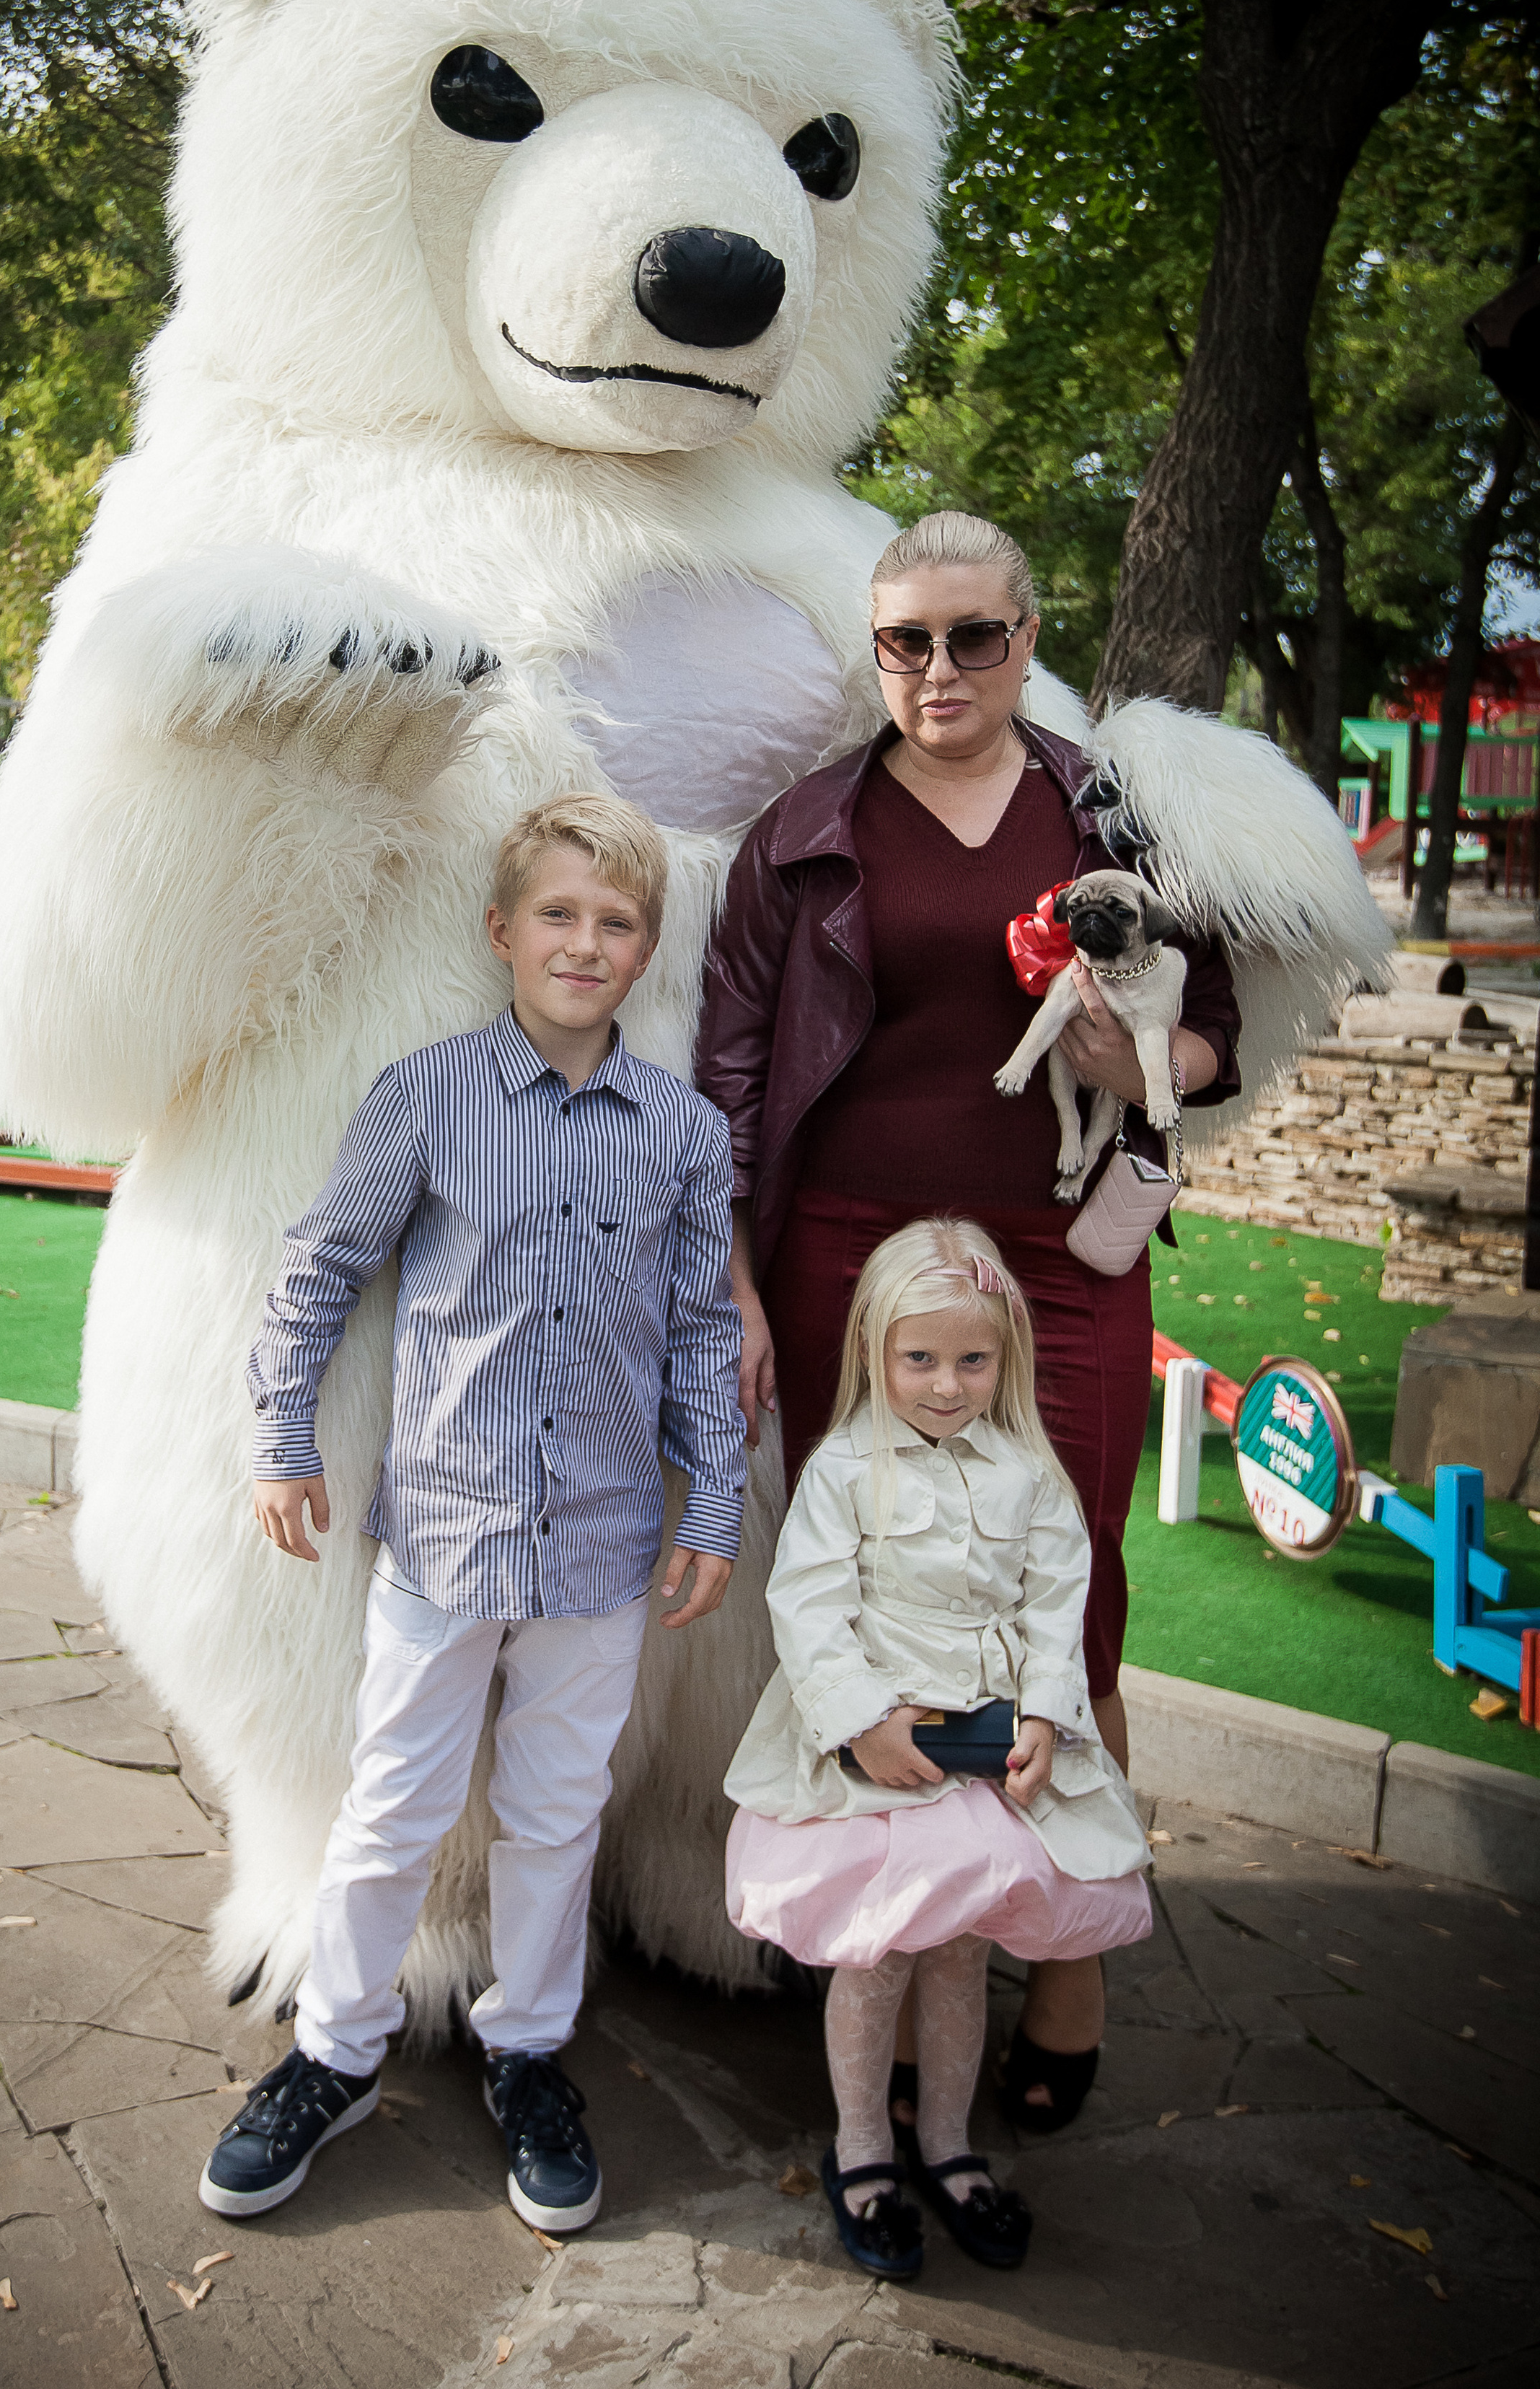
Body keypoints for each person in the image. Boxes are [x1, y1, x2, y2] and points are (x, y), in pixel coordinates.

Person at [695, 509, 1238, 2137]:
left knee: (1075, 1582)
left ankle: (1066, 1956)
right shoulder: (805, 829)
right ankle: (885, 1908)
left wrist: (1141, 1064)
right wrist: (734, 1274)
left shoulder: (1115, 812)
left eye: (974, 637)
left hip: (1062, 1254)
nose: (940, 670)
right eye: (905, 642)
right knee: (868, 1579)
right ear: (875, 652)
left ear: (1026, 635)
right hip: (846, 1257)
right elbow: (732, 1066)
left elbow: (1209, 1024)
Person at [199, 793, 747, 2232]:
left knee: (557, 1818)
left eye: (614, 922)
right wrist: (280, 1436)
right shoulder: (426, 1096)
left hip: (605, 1550)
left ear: (644, 951)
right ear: (503, 930)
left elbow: (703, 1334)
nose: (584, 942)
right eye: (557, 913)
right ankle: (334, 2053)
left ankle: (528, 2051)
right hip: (443, 1535)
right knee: (392, 1807)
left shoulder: (684, 1135)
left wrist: (714, 1508)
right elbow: (321, 1269)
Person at [724, 1218, 1152, 2280]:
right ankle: (864, 2151)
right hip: (882, 1756)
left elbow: (1056, 1608)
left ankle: (951, 2146)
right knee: (877, 1960)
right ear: (875, 1349)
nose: (948, 1385)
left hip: (985, 1758)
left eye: (972, 1360)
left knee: (962, 1957)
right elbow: (809, 1605)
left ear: (1007, 1356)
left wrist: (1045, 1714)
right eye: (920, 1358)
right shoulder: (842, 1472)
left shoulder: (1031, 1475)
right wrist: (863, 1722)